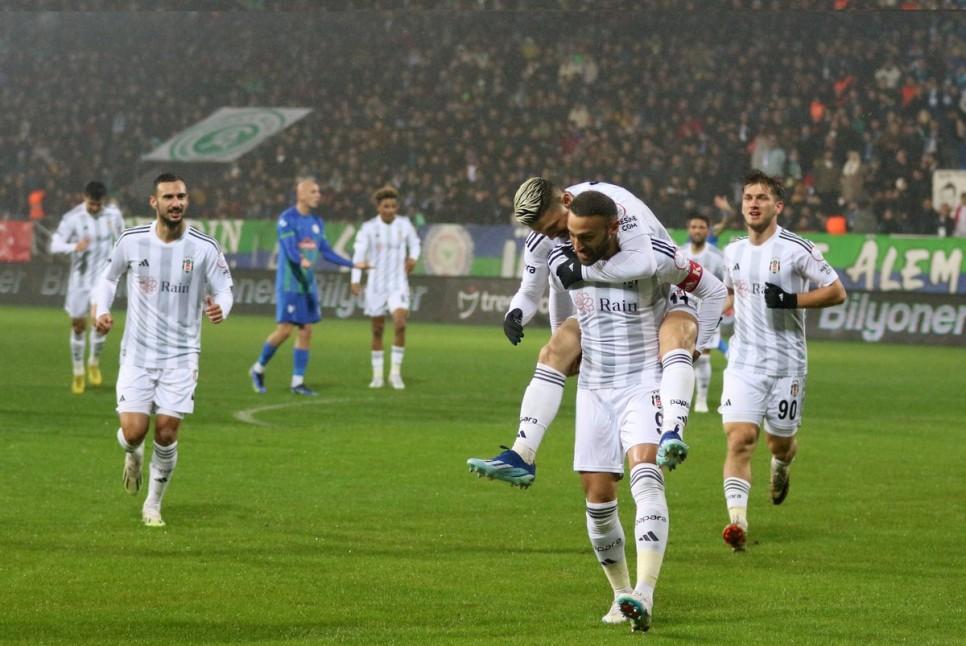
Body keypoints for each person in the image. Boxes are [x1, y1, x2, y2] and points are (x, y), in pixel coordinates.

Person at [467, 178, 726, 486]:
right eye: (544, 232)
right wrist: (516, 313)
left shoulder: (620, 211)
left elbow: (643, 265)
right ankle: (522, 452)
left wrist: (700, 345)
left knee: (676, 338)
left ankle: (672, 429)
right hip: (606, 302)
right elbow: (539, 289)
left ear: (566, 201)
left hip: (662, 290)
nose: (554, 237)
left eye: (555, 227)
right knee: (554, 350)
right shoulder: (546, 237)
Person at [551, 191, 721, 632]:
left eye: (587, 237)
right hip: (594, 387)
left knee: (646, 476)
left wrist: (700, 344)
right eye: (572, 235)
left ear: (613, 229)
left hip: (644, 379)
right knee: (597, 499)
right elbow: (558, 296)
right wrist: (565, 341)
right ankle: (620, 594)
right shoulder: (567, 256)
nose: (577, 245)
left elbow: (712, 289)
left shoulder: (654, 259)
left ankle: (645, 592)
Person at [93, 173, 234, 527]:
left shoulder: (204, 247)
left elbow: (225, 288)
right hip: (138, 353)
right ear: (154, 202)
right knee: (133, 433)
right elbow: (108, 278)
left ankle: (153, 505)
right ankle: (132, 454)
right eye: (169, 197)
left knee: (167, 433)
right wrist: (102, 310)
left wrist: (222, 307)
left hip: (181, 356)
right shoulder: (132, 241)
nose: (176, 203)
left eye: (181, 196)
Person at [719, 170, 846, 551]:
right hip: (744, 363)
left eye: (761, 198)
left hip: (787, 365)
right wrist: (704, 319)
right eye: (748, 198)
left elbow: (836, 292)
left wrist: (791, 300)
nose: (753, 204)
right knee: (740, 439)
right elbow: (730, 294)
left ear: (778, 206)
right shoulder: (733, 251)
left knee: (779, 444)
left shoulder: (796, 249)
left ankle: (782, 465)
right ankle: (737, 523)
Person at [248, 179, 366, 396]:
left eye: (318, 191)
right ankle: (258, 369)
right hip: (289, 283)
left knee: (306, 330)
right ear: (300, 194)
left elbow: (326, 251)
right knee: (285, 330)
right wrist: (300, 259)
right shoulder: (287, 219)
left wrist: (352, 264)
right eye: (313, 191)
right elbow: (289, 248)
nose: (318, 195)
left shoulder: (317, 222)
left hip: (307, 285)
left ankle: (297, 382)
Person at [49, 181, 124, 394]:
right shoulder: (72, 218)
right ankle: (78, 372)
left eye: (98, 204)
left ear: (103, 201)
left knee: (100, 323)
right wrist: (74, 246)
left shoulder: (113, 216)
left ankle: (93, 362)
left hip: (102, 280)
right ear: (84, 198)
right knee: (78, 326)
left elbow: (123, 240)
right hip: (79, 281)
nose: (95, 208)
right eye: (91, 204)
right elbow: (54, 245)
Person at [350, 186, 421, 389]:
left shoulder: (404, 225)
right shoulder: (368, 228)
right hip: (376, 285)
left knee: (400, 323)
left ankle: (395, 374)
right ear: (378, 208)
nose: (390, 210)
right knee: (377, 330)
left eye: (393, 206)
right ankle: (378, 376)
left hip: (398, 284)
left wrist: (413, 258)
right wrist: (355, 279)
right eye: (386, 206)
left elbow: (415, 243)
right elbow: (359, 255)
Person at [680, 212, 726, 413]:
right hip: (682, 310)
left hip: (708, 311)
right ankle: (681, 398)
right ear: (688, 229)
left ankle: (701, 399)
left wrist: (720, 308)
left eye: (701, 227)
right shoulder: (679, 253)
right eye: (694, 227)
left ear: (708, 231)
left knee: (704, 355)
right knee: (681, 355)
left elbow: (726, 285)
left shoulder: (717, 256)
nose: (697, 231)